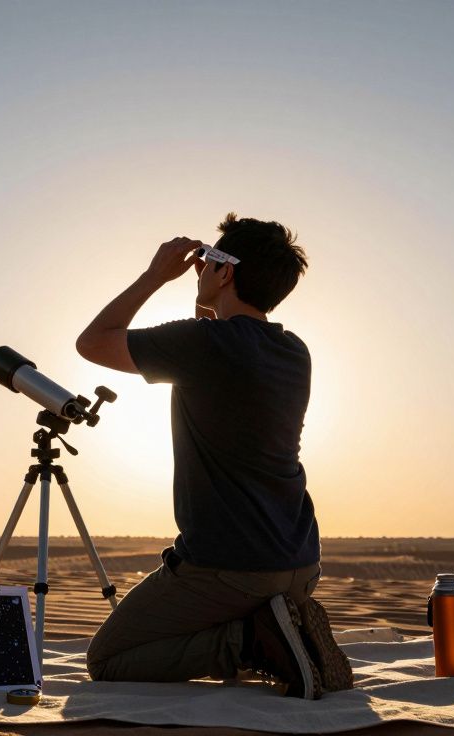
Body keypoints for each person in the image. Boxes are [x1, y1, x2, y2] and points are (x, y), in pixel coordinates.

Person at [75, 213, 352, 699]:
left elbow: (93, 343)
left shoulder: (202, 345)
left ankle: (251, 642)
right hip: (300, 563)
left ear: (225, 271)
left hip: (231, 569)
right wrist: (209, 299)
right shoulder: (294, 350)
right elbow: (221, 358)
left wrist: (155, 275)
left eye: (212, 261)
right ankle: (278, 626)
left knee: (107, 659)